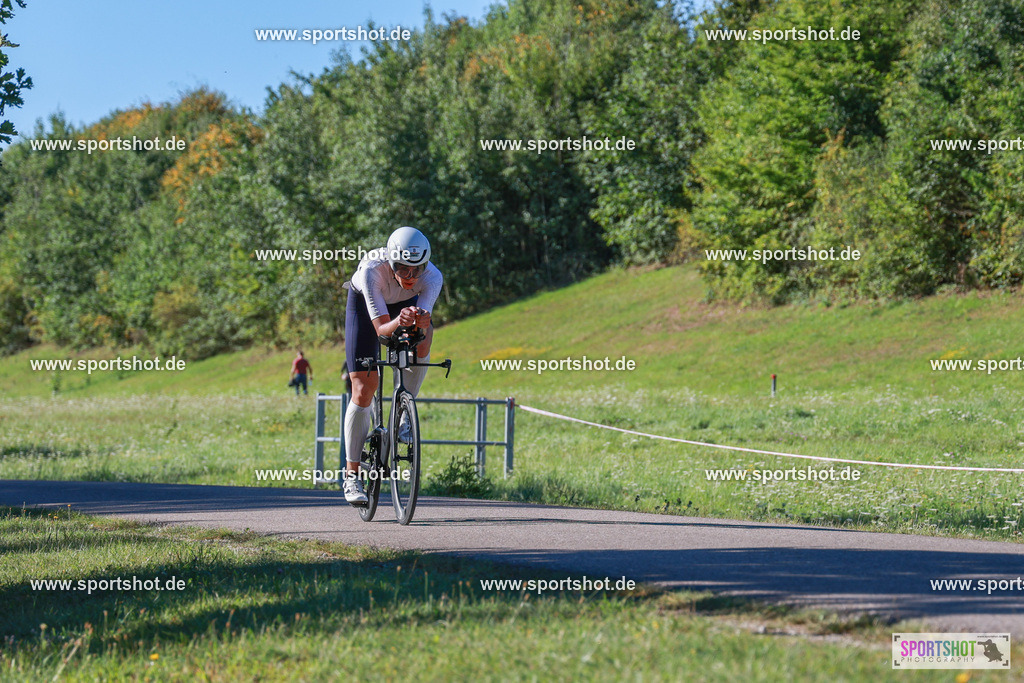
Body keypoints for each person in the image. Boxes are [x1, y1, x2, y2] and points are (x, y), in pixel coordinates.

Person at [342, 226, 441, 505]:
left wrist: (421, 322)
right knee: (364, 387)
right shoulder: (372, 271)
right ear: (390, 262)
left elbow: (423, 326)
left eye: (416, 269)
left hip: (404, 306)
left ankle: (405, 410)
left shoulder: (433, 278)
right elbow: (382, 331)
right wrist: (401, 320)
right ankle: (351, 476)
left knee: (425, 339)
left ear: (425, 266)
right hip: (366, 308)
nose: (410, 276)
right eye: (402, 268)